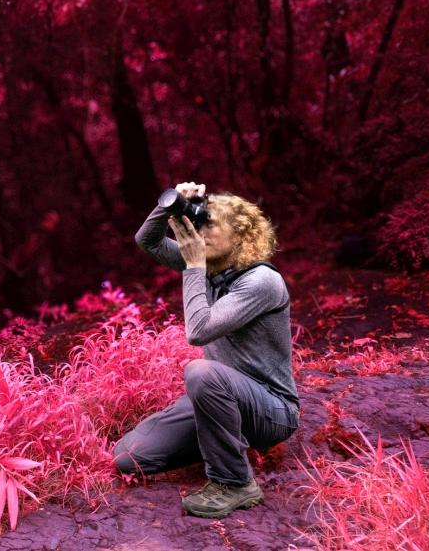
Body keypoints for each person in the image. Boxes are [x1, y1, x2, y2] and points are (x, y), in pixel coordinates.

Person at [113, 181, 300, 519]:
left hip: (271, 410)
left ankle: (234, 482)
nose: (203, 231)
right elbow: (147, 240)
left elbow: (198, 332)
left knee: (200, 371)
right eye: (201, 222)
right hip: (218, 398)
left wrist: (193, 265)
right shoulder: (210, 270)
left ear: (241, 236)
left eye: (212, 224)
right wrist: (172, 205)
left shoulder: (261, 281)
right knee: (128, 457)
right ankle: (221, 441)